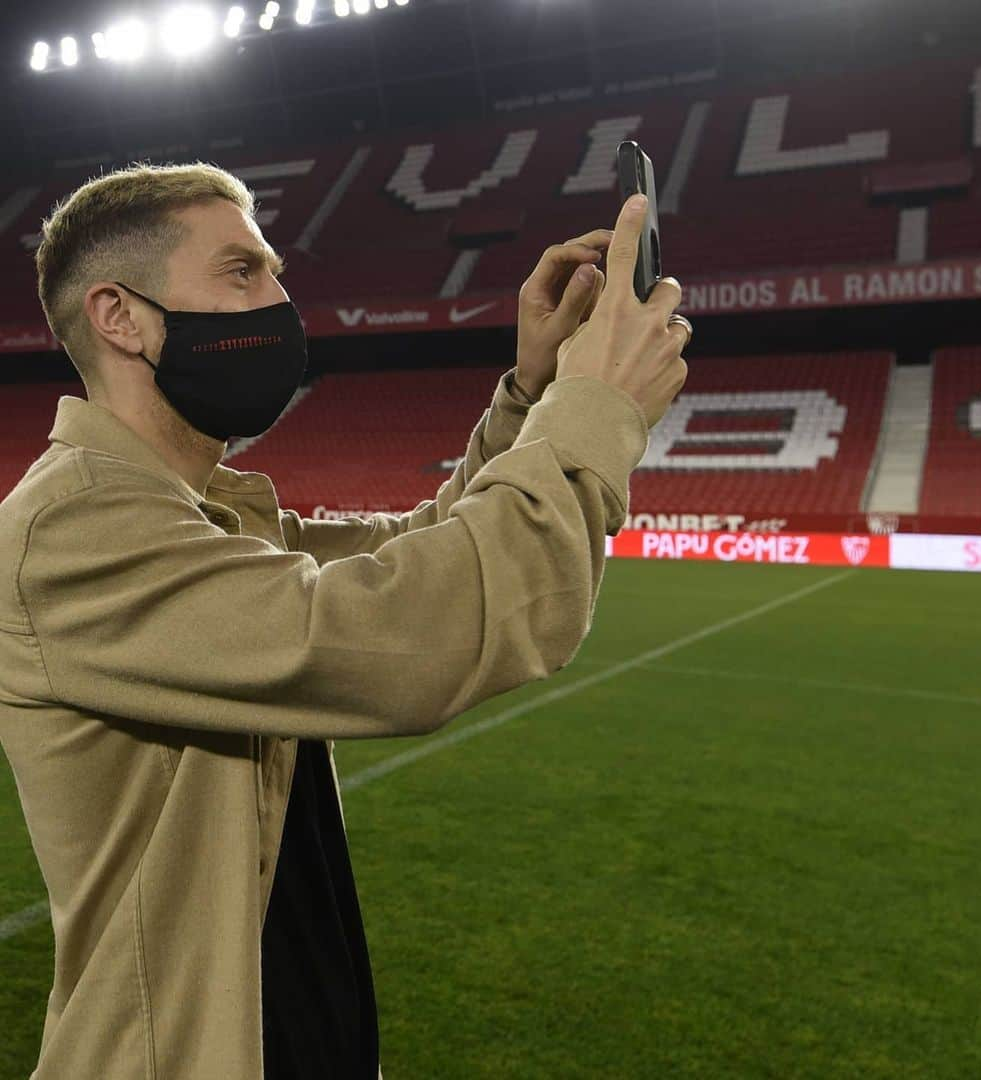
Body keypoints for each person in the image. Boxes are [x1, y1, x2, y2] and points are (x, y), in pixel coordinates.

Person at [0, 161, 690, 1080]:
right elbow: (418, 633)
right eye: (242, 272)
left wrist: (530, 394)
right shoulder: (72, 532)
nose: (280, 300)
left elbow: (415, 548)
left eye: (275, 272)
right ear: (118, 316)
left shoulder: (204, 516)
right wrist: (596, 406)